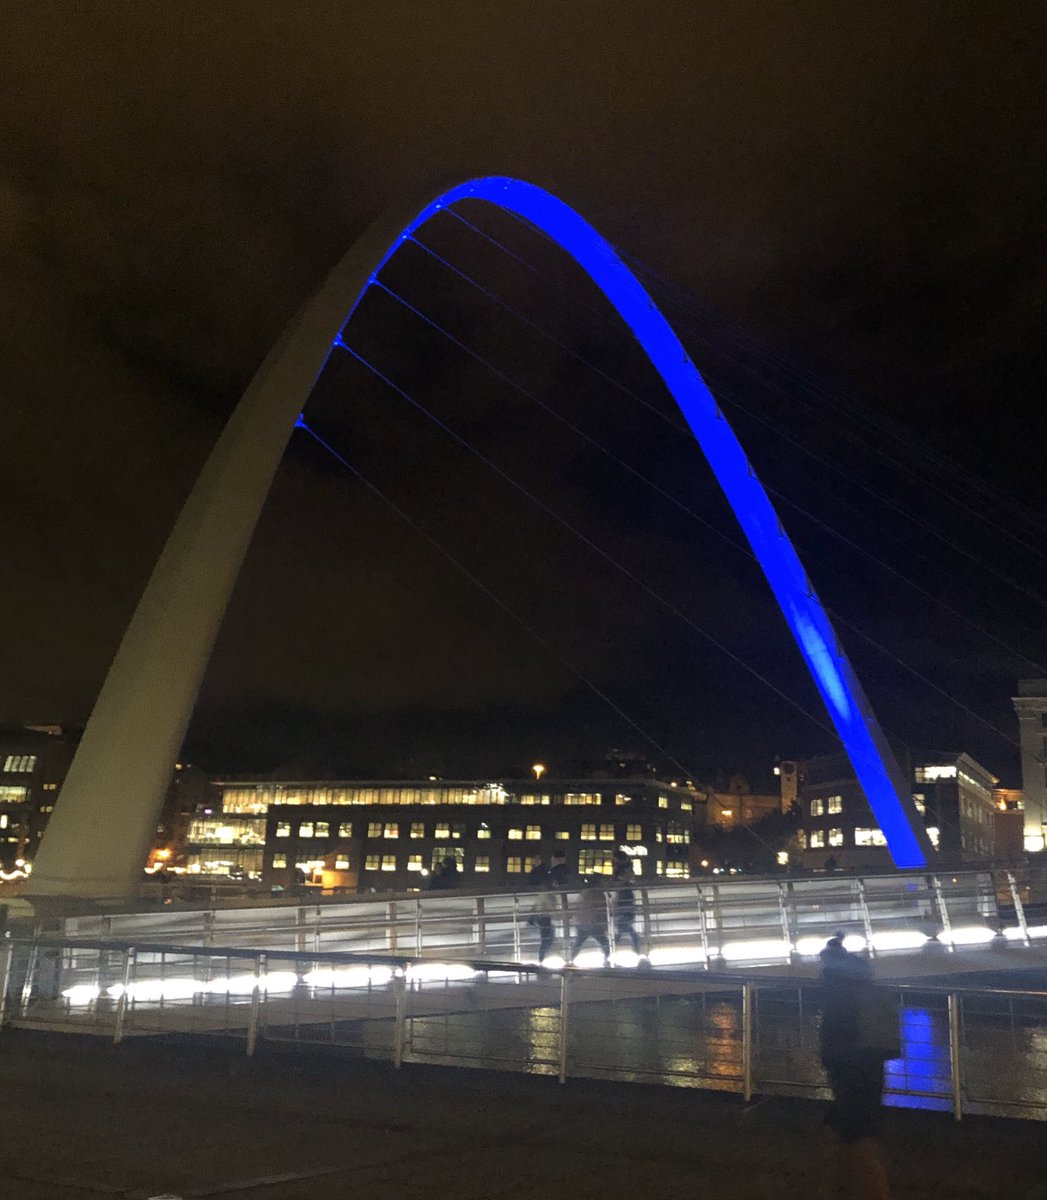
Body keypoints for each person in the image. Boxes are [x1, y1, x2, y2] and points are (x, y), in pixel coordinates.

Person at [819, 931, 897, 1199]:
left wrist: (829, 1059)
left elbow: (836, 1035)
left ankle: (869, 1191)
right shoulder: (864, 984)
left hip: (849, 1065)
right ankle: (850, 1187)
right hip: (871, 1062)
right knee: (857, 1131)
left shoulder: (837, 992)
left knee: (855, 1134)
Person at [570, 878, 610, 966]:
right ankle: (606, 960)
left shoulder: (584, 893)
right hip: (593, 923)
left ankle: (571, 960)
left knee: (579, 942)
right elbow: (601, 910)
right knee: (605, 942)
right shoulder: (597, 894)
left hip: (582, 922)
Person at [611, 861, 642, 957]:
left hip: (623, 912)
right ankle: (636, 951)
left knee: (623, 932)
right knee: (630, 933)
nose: (633, 873)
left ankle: (610, 951)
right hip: (624, 912)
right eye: (630, 871)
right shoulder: (625, 885)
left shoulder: (624, 885)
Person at [528, 877, 558, 963]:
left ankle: (541, 958)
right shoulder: (549, 895)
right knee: (547, 940)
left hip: (541, 918)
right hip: (544, 918)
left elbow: (538, 906)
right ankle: (541, 958)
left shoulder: (543, 894)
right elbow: (550, 908)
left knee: (547, 939)